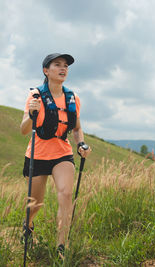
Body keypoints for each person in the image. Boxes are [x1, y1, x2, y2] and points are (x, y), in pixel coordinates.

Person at [20, 53, 91, 256]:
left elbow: (76, 129)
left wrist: (82, 144)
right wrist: (31, 113)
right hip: (38, 154)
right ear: (46, 71)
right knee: (36, 204)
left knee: (66, 194)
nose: (63, 68)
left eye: (66, 66)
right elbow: (23, 130)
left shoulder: (72, 98)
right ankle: (28, 225)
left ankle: (62, 246)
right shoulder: (35, 96)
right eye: (57, 65)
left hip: (63, 153)